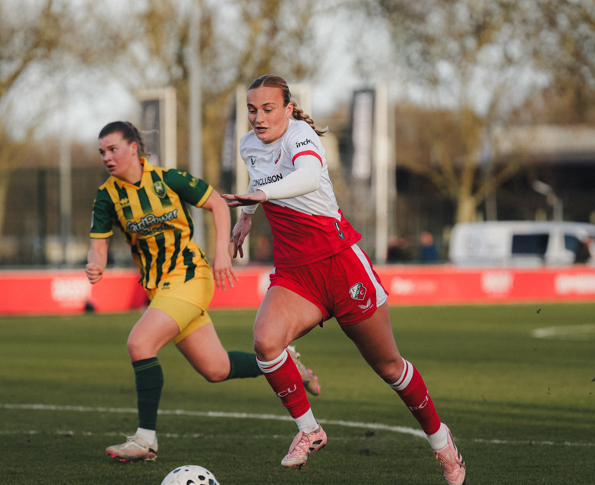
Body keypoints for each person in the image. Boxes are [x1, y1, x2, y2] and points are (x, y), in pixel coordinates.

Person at [221, 75, 467, 485]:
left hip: (340, 265)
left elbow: (308, 178)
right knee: (265, 342)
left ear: (287, 108)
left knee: (390, 368)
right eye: (251, 109)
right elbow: (258, 178)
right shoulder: (249, 144)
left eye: (267, 109)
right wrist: (245, 217)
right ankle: (310, 431)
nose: (258, 117)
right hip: (296, 274)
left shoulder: (301, 136)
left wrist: (260, 199)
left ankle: (443, 444)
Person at [85, 121, 319, 463]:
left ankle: (145, 439)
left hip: (191, 276)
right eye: (102, 151)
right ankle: (286, 363)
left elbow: (219, 205)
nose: (107, 156)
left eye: (113, 149)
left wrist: (221, 251)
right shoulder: (107, 195)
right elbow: (98, 247)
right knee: (217, 368)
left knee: (140, 343)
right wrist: (95, 265)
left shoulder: (168, 179)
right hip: (160, 289)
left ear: (133, 148)